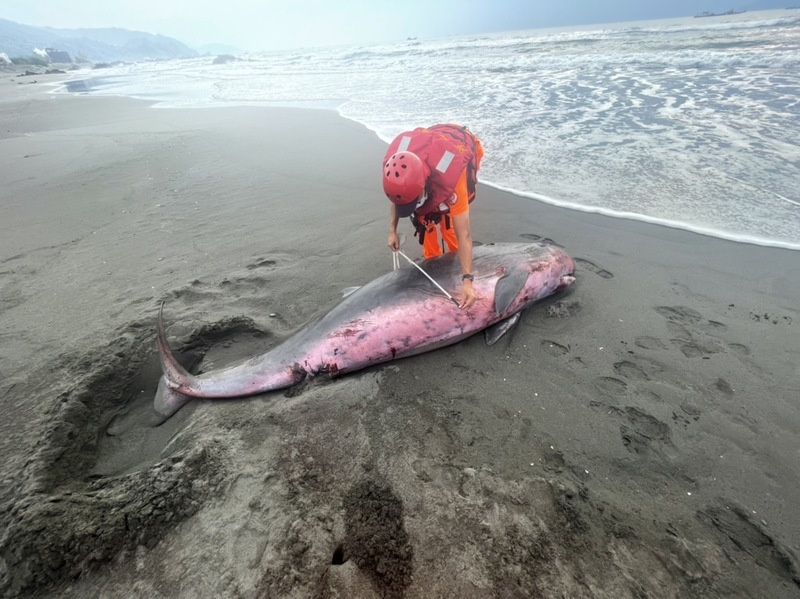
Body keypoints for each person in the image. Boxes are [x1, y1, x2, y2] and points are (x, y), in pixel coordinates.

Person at [382, 124, 484, 309]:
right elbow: (397, 198)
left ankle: (455, 271)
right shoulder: (396, 170)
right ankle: (434, 267)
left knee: (449, 228)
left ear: (423, 186)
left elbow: (465, 235)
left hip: (460, 147)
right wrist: (392, 231)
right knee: (426, 223)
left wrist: (468, 280)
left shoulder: (454, 184)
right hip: (430, 145)